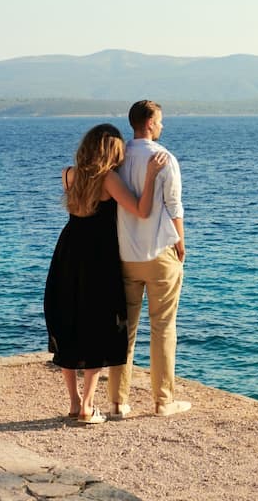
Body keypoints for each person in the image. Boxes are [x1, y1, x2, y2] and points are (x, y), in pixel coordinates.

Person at [44, 123, 167, 424]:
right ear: (110, 150)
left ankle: (74, 404)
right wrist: (150, 176)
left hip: (68, 253)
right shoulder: (108, 179)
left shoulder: (68, 175)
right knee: (97, 326)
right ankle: (87, 406)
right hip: (97, 258)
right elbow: (141, 209)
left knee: (70, 323)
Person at [107, 99, 192, 417]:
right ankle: (162, 400)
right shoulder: (164, 158)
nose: (163, 126)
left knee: (125, 329)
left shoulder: (117, 158)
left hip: (126, 255)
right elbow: (174, 206)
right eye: (160, 121)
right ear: (150, 123)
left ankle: (118, 401)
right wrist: (181, 242)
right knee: (164, 327)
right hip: (159, 253)